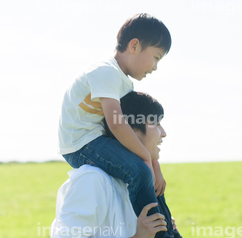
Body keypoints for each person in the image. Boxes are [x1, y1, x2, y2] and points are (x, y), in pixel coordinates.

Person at [58, 12, 172, 222]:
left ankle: (168, 229)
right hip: (81, 144)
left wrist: (156, 165)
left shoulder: (124, 82)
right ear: (134, 46)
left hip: (98, 139)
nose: (155, 67)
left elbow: (132, 127)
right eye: (156, 57)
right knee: (140, 171)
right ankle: (156, 232)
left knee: (153, 177)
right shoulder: (106, 71)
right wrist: (146, 158)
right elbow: (117, 124)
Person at [52, 91, 182, 238]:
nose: (163, 133)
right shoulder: (92, 179)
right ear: (129, 131)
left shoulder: (138, 182)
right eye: (156, 124)